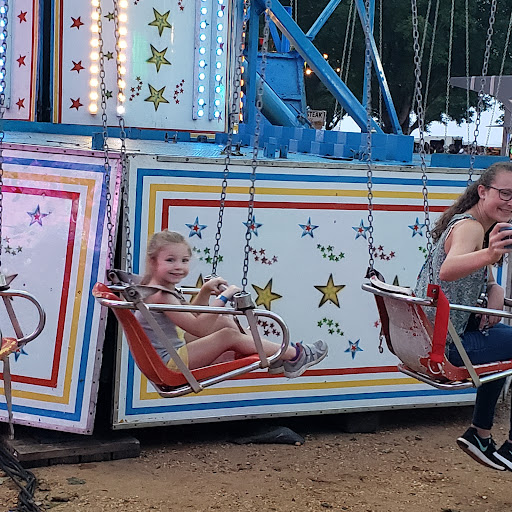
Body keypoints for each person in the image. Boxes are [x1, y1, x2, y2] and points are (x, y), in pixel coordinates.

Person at [415, 162, 512, 471]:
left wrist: (494, 286)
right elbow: (449, 269)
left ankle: (480, 436)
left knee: (503, 341)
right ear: (482, 192)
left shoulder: (472, 225)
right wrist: (491, 254)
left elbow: (478, 270)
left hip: (431, 338)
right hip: (445, 346)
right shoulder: (471, 228)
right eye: (505, 193)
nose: (510, 202)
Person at [137, 230, 328, 379]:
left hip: (173, 351)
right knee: (228, 335)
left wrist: (205, 291)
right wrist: (224, 297)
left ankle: (274, 356)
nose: (178, 266)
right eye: (170, 260)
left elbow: (192, 316)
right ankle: (295, 355)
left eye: (184, 260)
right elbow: (199, 327)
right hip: (171, 363)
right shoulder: (161, 295)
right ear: (153, 261)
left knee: (223, 321)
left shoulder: (155, 288)